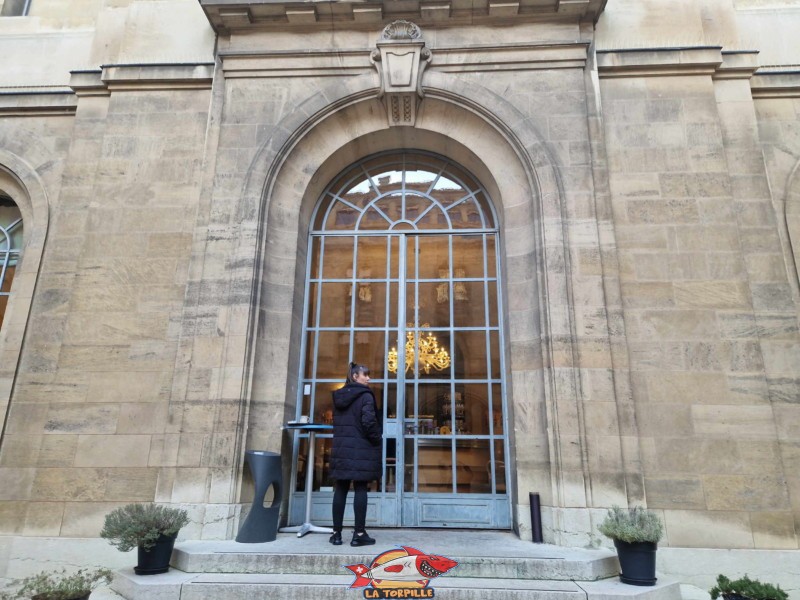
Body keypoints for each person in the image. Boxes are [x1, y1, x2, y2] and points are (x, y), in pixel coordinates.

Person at [329, 362, 382, 546]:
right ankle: (359, 534)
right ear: (355, 377)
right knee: (360, 488)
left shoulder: (339, 396)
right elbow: (369, 423)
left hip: (342, 448)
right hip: (361, 448)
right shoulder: (366, 396)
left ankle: (336, 534)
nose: (368, 378)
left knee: (341, 489)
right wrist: (377, 440)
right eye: (365, 375)